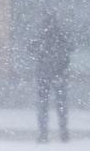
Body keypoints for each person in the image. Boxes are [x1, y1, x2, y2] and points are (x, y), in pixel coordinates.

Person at [30, 12, 71, 143]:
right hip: (58, 74)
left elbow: (31, 48)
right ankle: (63, 132)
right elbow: (69, 50)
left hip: (44, 75)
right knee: (61, 105)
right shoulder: (61, 36)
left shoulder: (42, 37)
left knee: (43, 105)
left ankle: (43, 134)